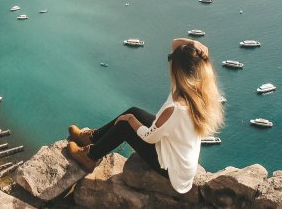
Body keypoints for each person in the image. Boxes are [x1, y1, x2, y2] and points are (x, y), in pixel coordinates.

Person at [66, 37, 224, 194]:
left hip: (172, 169)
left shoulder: (174, 108)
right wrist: (192, 43)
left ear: (178, 69)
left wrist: (130, 120)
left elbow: (149, 137)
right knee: (134, 110)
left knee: (125, 125)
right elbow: (175, 43)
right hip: (179, 157)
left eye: (171, 58)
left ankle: (90, 157)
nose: (169, 60)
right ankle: (92, 138)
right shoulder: (197, 92)